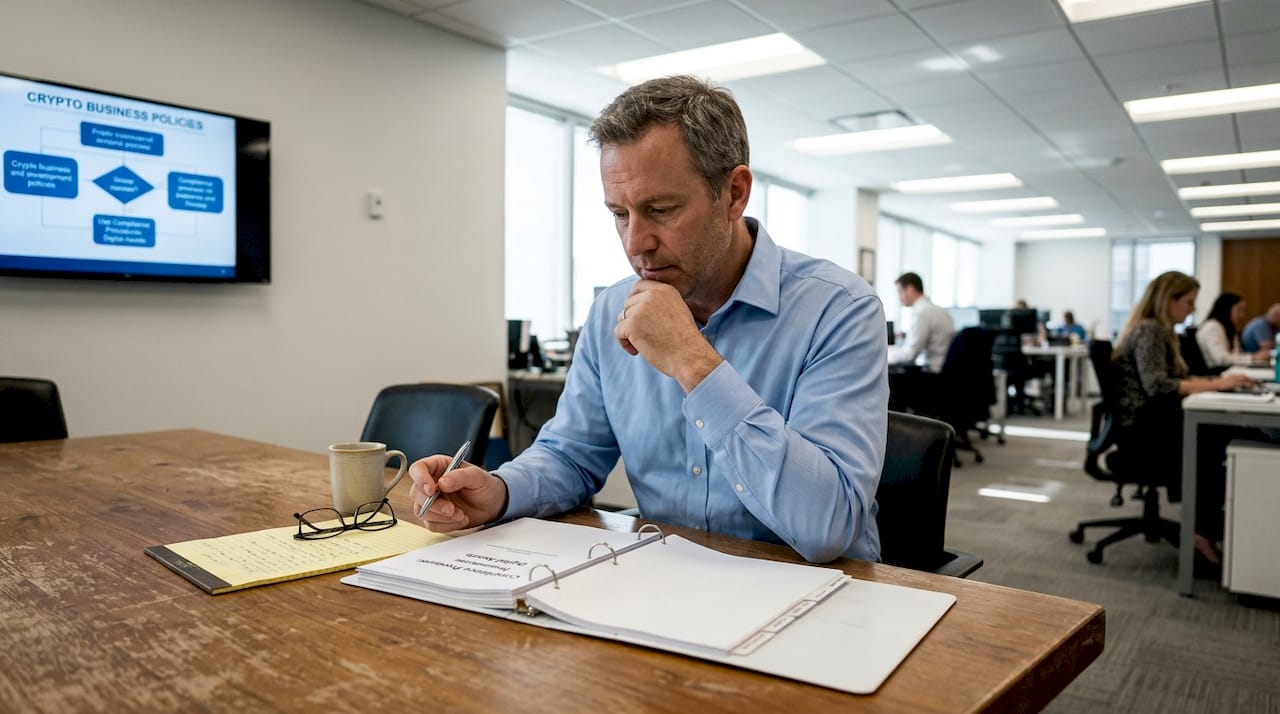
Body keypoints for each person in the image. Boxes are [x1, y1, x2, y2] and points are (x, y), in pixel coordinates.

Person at [408, 76, 888, 563]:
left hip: (821, 587)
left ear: (734, 193)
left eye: (660, 209)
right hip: (664, 575)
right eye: (620, 214)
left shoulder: (839, 309)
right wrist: (500, 491)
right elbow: (571, 454)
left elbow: (828, 526)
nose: (635, 243)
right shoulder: (610, 312)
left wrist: (692, 360)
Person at [1111, 271, 1255, 565]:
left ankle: (1205, 527)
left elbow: (1176, 380)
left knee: (1219, 434)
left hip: (1152, 422)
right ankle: (1202, 531)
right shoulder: (1150, 330)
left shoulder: (1158, 330)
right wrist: (1216, 385)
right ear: (1168, 300)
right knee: (1219, 437)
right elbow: (1157, 385)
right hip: (1143, 431)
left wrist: (1215, 383)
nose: (1192, 309)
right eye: (1188, 302)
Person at [889, 272, 955, 373]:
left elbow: (909, 355)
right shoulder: (935, 309)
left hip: (935, 372)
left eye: (900, 291)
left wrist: (885, 355)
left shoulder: (922, 312)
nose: (899, 298)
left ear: (910, 289)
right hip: (946, 369)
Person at [1196, 293, 1269, 369]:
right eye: (1239, 310)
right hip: (1215, 372)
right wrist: (1252, 357)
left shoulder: (1229, 327)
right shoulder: (1212, 326)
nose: (1242, 315)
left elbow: (1235, 354)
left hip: (1228, 370)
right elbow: (1221, 359)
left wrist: (1253, 357)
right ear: (1226, 308)